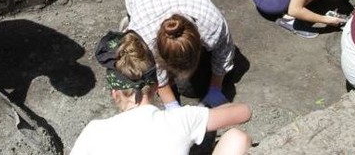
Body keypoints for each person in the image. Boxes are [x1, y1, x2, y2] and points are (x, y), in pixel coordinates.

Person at [69, 30, 252, 155]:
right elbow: (244, 112)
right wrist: (208, 101)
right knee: (237, 137)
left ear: (115, 93)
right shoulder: (181, 119)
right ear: (157, 86)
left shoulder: (94, 131)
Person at [123, 0, 236, 108]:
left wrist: (215, 89)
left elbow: (224, 54)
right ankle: (129, 21)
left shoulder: (213, 23)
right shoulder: (143, 37)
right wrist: (171, 105)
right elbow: (155, 70)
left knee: (194, 88)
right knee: (184, 86)